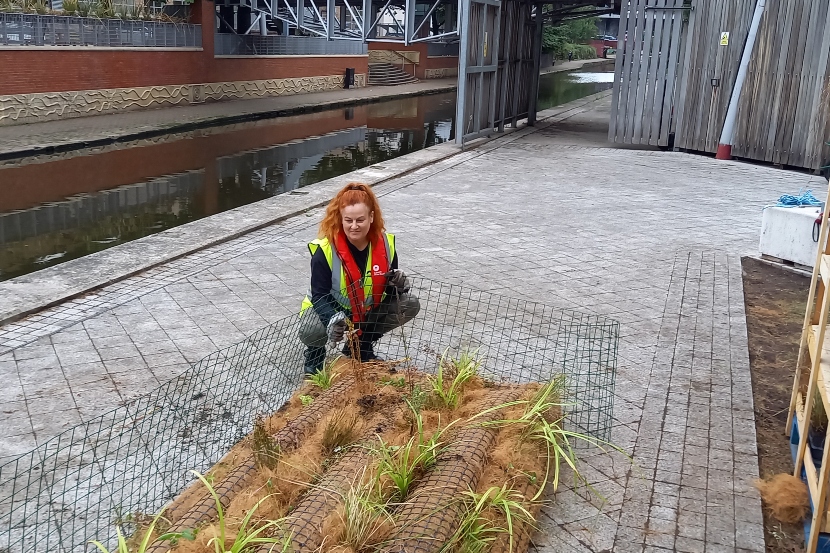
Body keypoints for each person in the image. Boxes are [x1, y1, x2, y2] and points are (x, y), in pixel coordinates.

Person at [298, 182, 420, 374]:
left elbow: (388, 292)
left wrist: (398, 285)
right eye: (348, 220)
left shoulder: (386, 246)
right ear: (341, 219)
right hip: (331, 307)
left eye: (360, 220)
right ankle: (315, 356)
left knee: (409, 303)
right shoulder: (325, 250)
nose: (354, 226)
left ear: (371, 217)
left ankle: (361, 347)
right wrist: (332, 318)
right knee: (311, 330)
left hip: (365, 309)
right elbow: (319, 295)